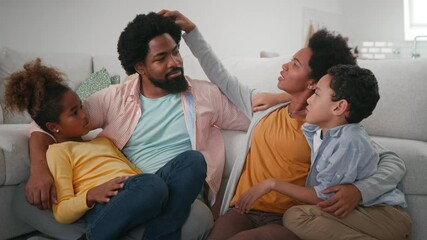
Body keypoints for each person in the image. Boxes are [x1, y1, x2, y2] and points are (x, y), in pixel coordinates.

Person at [160, 10, 407, 240]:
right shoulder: (263, 106)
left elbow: (391, 161)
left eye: (295, 65)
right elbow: (220, 75)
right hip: (243, 210)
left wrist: (359, 191)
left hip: (287, 219)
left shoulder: (328, 127)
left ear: (313, 82)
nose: (284, 66)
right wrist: (191, 32)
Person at [15, 12, 250, 240]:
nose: (175, 62)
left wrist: (278, 99)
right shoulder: (115, 97)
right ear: (140, 67)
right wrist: (39, 169)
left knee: (195, 174)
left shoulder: (206, 94)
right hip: (128, 193)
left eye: (176, 52)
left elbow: (252, 116)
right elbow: (45, 122)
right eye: (161, 58)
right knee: (22, 198)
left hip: (175, 193)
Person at [4, 58, 183, 239]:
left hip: (133, 189)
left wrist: (146, 184)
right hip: (104, 203)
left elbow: (133, 172)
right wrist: (90, 195)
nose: (84, 114)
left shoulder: (103, 141)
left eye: (81, 106)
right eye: (74, 113)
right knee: (153, 185)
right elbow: (62, 211)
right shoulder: (58, 152)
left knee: (191, 160)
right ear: (53, 127)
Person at [249, 64, 411, 239]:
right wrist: (279, 98)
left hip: (383, 217)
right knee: (297, 216)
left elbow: (326, 196)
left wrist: (273, 184)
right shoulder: (316, 131)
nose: (309, 99)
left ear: (338, 107)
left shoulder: (351, 140)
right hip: (364, 215)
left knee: (296, 216)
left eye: (317, 94)